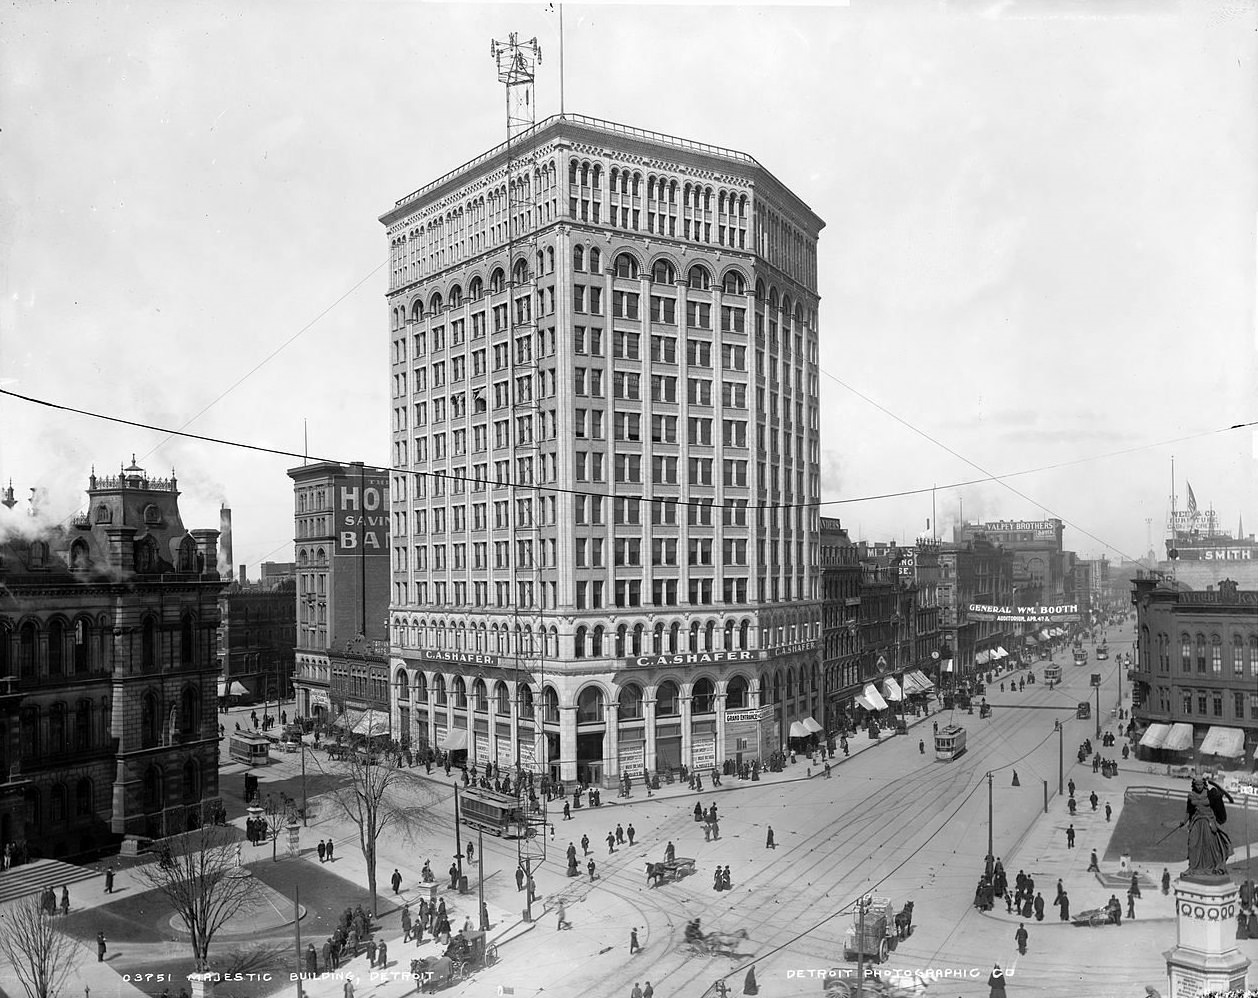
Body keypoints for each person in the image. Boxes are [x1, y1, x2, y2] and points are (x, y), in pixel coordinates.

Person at [1185, 777, 1235, 877]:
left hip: (1208, 821)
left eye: (1200, 785)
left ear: (1204, 784)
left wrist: (1220, 796)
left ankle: (1212, 866)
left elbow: (1217, 804)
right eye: (1197, 785)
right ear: (1194, 785)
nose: (1199, 787)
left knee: (1209, 846)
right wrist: (1183, 821)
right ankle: (1192, 867)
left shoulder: (1210, 795)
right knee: (1192, 845)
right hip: (1196, 822)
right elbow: (1188, 811)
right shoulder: (1191, 796)